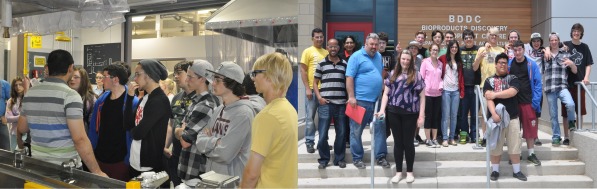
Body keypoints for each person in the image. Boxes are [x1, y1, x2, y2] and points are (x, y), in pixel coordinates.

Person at [16, 49, 107, 177]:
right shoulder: (70, 95)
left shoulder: (31, 92)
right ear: (70, 68)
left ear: (48, 67)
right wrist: (97, 171)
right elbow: (79, 139)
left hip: (38, 165)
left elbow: (22, 128)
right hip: (65, 168)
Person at [241, 52, 297, 188]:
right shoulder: (289, 110)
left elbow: (252, 174)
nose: (253, 79)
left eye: (255, 73)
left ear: (270, 76)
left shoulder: (267, 116)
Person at [195, 61, 255, 179]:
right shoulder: (219, 109)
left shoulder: (243, 114)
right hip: (214, 178)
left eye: (217, 80)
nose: (213, 84)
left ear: (232, 83)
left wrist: (209, 142)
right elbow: (199, 141)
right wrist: (216, 142)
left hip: (233, 181)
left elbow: (225, 154)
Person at [378, 50, 425, 183]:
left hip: (411, 113)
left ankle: (409, 172)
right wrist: (382, 110)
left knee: (408, 143)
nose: (405, 61)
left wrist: (421, 115)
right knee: (398, 143)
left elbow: (422, 97)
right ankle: (399, 172)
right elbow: (386, 94)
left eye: (408, 60)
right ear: (399, 60)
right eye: (403, 59)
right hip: (394, 112)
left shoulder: (416, 75)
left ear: (411, 61)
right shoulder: (393, 74)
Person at [88, 63, 138, 181]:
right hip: (100, 157)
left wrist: (128, 158)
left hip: (120, 160)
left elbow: (133, 133)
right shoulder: (101, 100)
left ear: (115, 79)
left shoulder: (132, 102)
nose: (101, 80)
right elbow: (93, 127)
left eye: (104, 77)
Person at [175, 60, 220, 188]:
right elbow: (181, 131)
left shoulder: (204, 105)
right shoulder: (197, 101)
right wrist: (181, 130)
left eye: (190, 76)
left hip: (195, 174)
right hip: (191, 171)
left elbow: (185, 141)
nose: (187, 79)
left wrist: (179, 130)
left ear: (202, 79)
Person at [125, 59, 171, 179]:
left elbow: (137, 133)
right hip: (135, 160)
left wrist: (134, 130)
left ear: (149, 75)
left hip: (148, 166)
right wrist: (130, 98)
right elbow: (127, 124)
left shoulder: (159, 100)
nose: (135, 79)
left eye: (138, 74)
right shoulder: (145, 98)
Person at [345, 33, 385, 169]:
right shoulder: (356, 56)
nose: (374, 47)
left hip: (376, 102)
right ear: (366, 44)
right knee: (356, 131)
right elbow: (349, 77)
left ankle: (380, 157)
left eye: (376, 44)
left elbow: (379, 74)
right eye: (371, 44)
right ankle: (357, 158)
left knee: (379, 130)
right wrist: (351, 97)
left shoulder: (379, 56)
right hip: (359, 101)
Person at [484, 53, 526, 182]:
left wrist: (495, 94)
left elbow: (512, 92)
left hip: (512, 118)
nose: (502, 65)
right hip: (496, 120)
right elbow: (488, 97)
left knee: (514, 145)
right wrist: (494, 114)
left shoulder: (513, 78)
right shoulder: (489, 80)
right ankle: (495, 171)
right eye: (500, 62)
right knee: (496, 146)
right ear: (495, 64)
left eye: (504, 63)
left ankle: (517, 171)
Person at [313, 38, 348, 169]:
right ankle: (324, 159)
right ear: (327, 47)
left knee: (341, 133)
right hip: (325, 104)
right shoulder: (321, 64)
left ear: (339, 48)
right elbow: (315, 83)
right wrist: (319, 98)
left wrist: (348, 99)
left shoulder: (344, 64)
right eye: (330, 46)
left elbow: (348, 83)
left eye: (335, 46)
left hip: (341, 104)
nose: (333, 49)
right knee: (322, 134)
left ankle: (339, 159)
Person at [508, 40, 543, 166]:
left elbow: (538, 84)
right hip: (513, 103)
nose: (517, 52)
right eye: (515, 50)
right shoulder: (509, 64)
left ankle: (531, 154)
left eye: (519, 50)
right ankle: (516, 154)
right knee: (514, 130)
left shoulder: (531, 64)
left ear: (523, 50)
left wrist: (535, 102)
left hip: (528, 102)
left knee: (530, 130)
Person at [544, 32, 577, 146]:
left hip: (562, 86)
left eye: (555, 40)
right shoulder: (545, 54)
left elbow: (575, 71)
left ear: (558, 41)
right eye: (551, 40)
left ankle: (572, 121)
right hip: (550, 88)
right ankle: (556, 136)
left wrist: (572, 64)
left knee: (570, 104)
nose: (553, 42)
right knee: (553, 115)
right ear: (549, 42)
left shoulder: (565, 53)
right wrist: (546, 49)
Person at [164, 60, 193, 187]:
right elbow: (171, 124)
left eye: (179, 73)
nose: (175, 77)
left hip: (193, 160)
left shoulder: (203, 99)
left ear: (190, 74)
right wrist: (165, 146)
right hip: (175, 156)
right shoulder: (176, 98)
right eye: (174, 73)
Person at [474, 27, 505, 146]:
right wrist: (481, 56)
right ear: (488, 35)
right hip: (485, 86)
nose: (493, 37)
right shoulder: (482, 49)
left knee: (499, 112)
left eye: (496, 35)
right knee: (485, 113)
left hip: (499, 86)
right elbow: (475, 67)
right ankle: (485, 136)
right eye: (491, 35)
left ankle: (499, 137)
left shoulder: (501, 50)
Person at [300, 28, 328, 153]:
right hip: (311, 90)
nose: (319, 39)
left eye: (321, 37)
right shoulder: (307, 51)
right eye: (317, 37)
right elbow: (303, 70)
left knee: (324, 118)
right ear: (312, 38)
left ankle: (323, 142)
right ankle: (309, 142)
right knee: (310, 118)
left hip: (324, 91)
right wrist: (307, 88)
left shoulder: (326, 52)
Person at [561, 23, 592, 133]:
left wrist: (586, 77)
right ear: (572, 32)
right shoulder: (565, 44)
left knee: (580, 111)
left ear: (581, 33)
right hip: (566, 84)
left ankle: (578, 133)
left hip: (580, 84)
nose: (576, 33)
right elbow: (551, 46)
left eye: (578, 31)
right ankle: (566, 137)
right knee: (566, 112)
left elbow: (588, 64)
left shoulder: (585, 47)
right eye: (574, 31)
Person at [438, 40, 464, 146]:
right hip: (445, 91)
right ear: (449, 48)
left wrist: (462, 90)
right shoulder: (443, 58)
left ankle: (451, 137)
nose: (454, 49)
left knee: (454, 115)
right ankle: (444, 138)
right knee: (445, 115)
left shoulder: (459, 61)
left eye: (456, 47)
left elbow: (461, 77)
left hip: (456, 91)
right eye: (452, 47)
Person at [459, 29, 481, 144]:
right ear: (463, 40)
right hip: (463, 87)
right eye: (466, 38)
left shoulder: (478, 50)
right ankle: (464, 135)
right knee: (463, 114)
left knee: (474, 114)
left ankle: (474, 135)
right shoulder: (459, 50)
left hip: (475, 87)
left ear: (473, 38)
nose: (468, 40)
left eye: (470, 37)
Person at [420, 44, 443, 148]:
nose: (435, 51)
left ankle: (434, 139)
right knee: (428, 117)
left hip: (438, 94)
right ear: (429, 51)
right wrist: (426, 88)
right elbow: (421, 77)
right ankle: (428, 139)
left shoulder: (440, 64)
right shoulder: (425, 62)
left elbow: (441, 77)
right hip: (427, 94)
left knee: (436, 117)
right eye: (433, 50)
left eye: (437, 50)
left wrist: (441, 85)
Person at [69, 67, 98, 133]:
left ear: (83, 80)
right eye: (70, 76)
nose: (71, 79)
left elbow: (93, 124)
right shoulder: (65, 96)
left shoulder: (91, 100)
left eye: (76, 77)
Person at [5, 77, 25, 151]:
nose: (18, 87)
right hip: (14, 133)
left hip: (25, 133)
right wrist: (21, 117)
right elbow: (7, 118)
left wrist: (15, 118)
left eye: (20, 84)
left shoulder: (27, 99)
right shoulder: (11, 101)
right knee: (14, 155)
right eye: (16, 85)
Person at [0, 78, 10, 151]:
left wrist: (5, 115)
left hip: (1, 122)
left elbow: (12, 101)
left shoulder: (4, 84)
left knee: (6, 149)